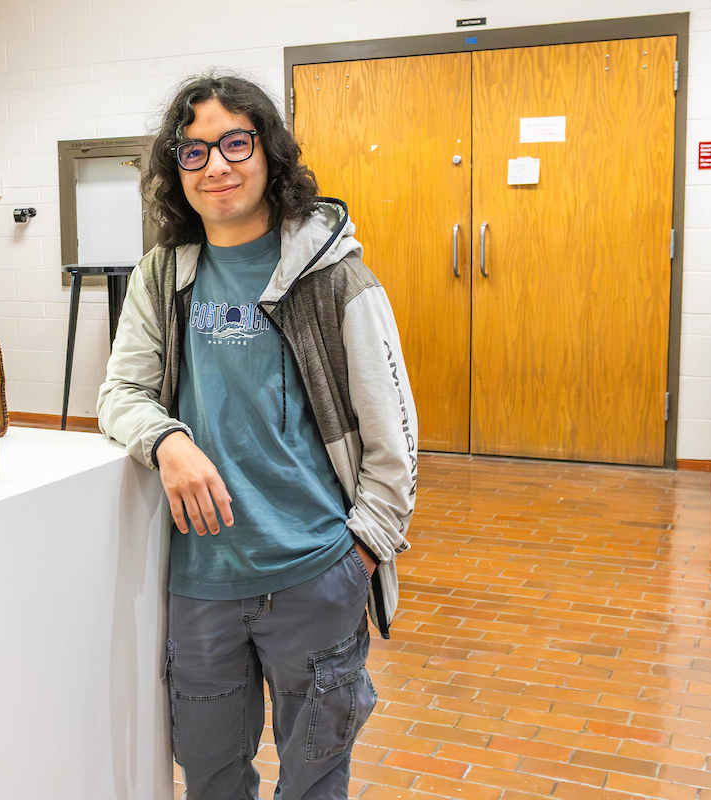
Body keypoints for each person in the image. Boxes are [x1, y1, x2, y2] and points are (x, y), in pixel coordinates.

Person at [96, 74, 418, 800]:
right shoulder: (162, 276)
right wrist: (167, 441)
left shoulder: (338, 279)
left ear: (270, 152)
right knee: (211, 780)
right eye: (193, 150)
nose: (216, 165)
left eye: (235, 142)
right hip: (200, 585)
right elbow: (119, 393)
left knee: (313, 782)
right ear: (174, 170)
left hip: (314, 575)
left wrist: (362, 550)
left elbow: (393, 436)